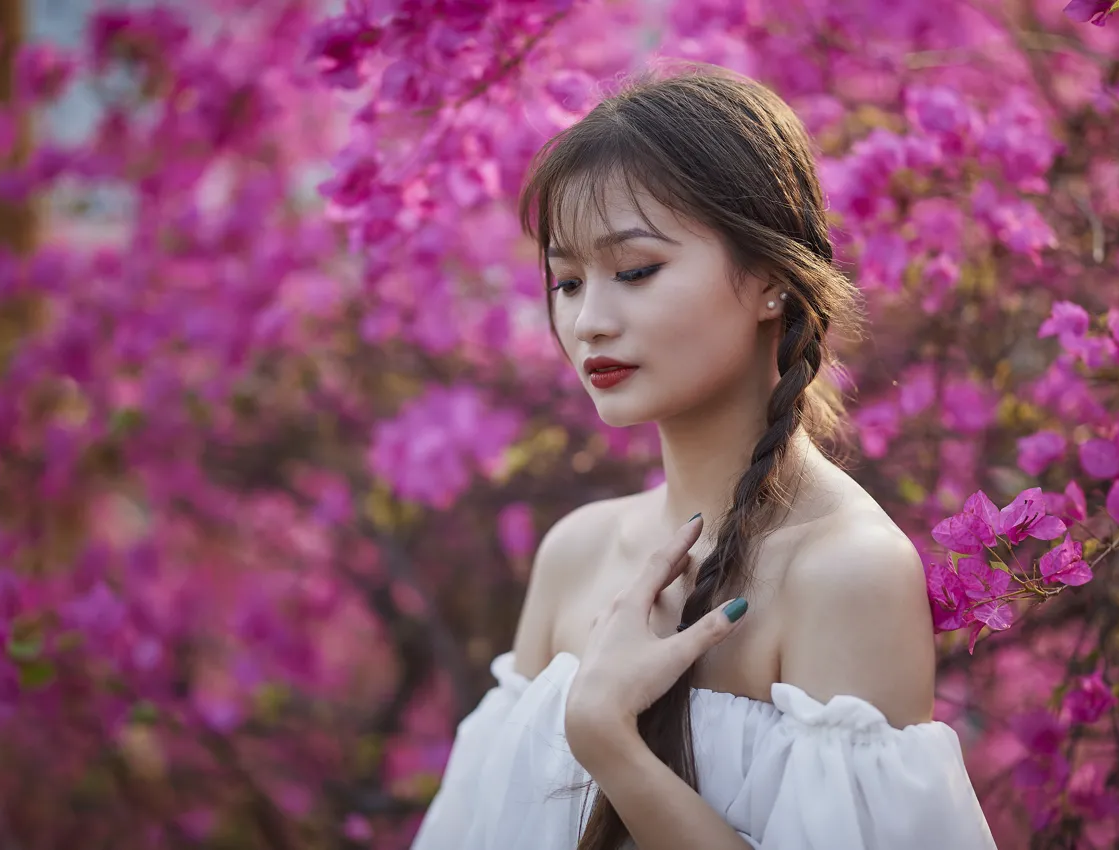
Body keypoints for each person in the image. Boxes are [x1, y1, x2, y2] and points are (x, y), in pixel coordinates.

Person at [410, 65, 997, 850]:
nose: (590, 321)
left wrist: (609, 743)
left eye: (635, 271)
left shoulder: (847, 574)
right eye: (567, 281)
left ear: (769, 280)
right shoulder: (576, 554)